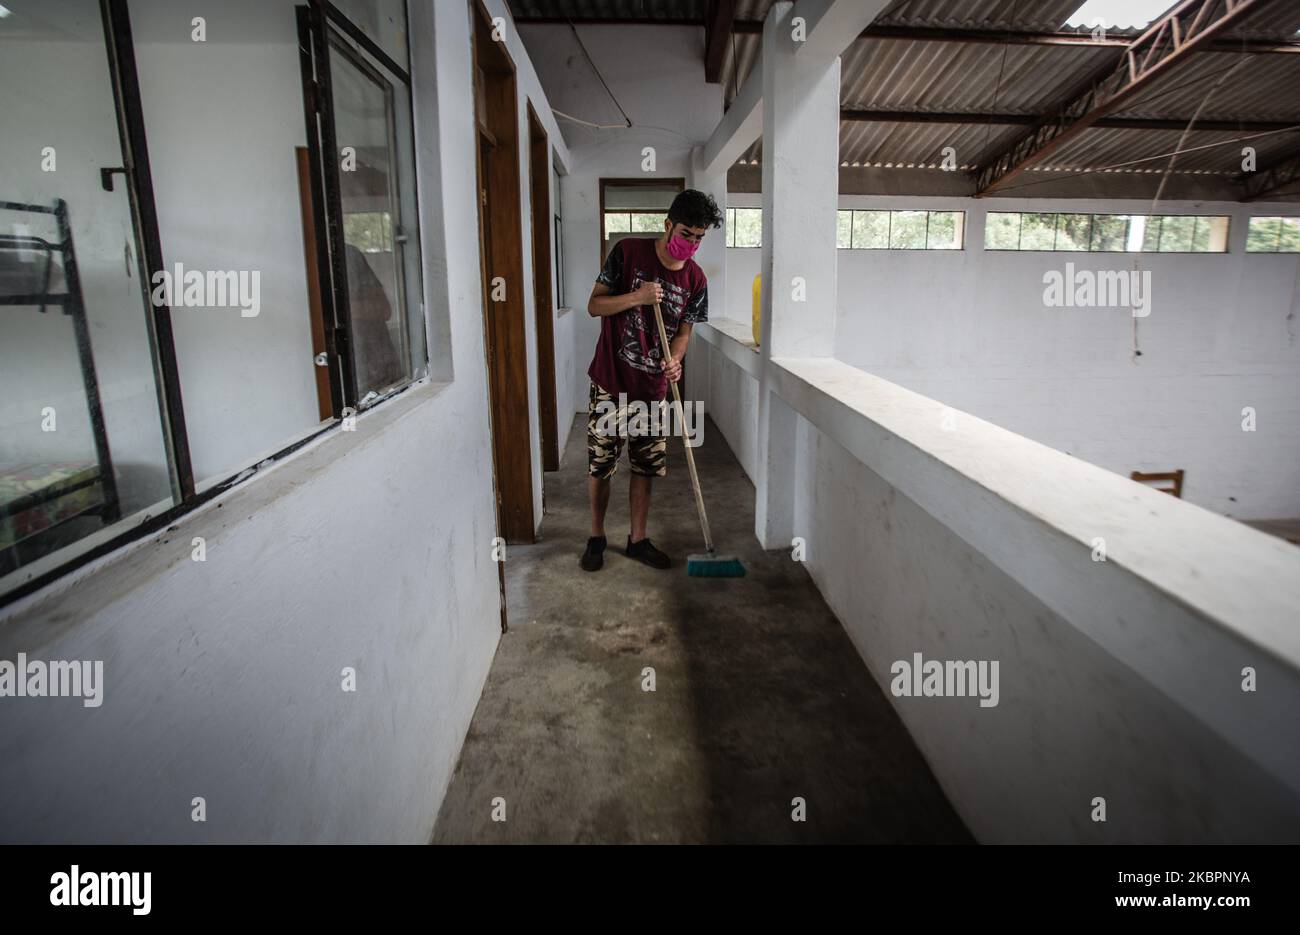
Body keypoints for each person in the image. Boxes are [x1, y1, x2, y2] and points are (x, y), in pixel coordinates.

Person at [580, 189, 722, 572]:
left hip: (652, 391)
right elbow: (595, 305)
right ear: (668, 225)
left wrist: (675, 360)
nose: (691, 243)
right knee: (601, 464)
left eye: (699, 237)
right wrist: (636, 297)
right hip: (612, 381)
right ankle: (596, 536)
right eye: (686, 233)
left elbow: (684, 333)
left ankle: (637, 540)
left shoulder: (696, 279)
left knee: (645, 467)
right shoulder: (628, 253)